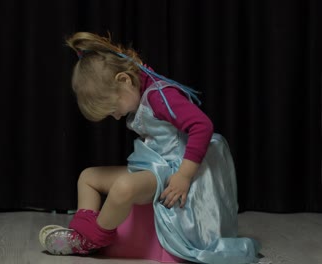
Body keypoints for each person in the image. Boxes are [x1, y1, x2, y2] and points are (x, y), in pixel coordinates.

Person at [39, 31, 261, 264]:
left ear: (124, 80)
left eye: (114, 108)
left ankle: (90, 241)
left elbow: (202, 125)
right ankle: (83, 233)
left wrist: (184, 175)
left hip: (173, 172)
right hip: (152, 166)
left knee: (123, 187)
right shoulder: (141, 86)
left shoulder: (159, 96)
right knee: (88, 177)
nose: (116, 117)